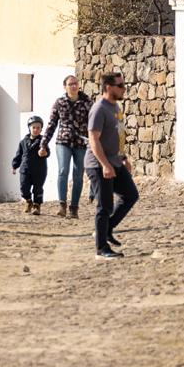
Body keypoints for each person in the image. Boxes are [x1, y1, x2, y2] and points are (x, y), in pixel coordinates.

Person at [87, 71, 138, 260]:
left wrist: (123, 157)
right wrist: (105, 165)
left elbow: (118, 134)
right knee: (105, 206)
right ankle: (101, 249)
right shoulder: (99, 109)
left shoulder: (115, 106)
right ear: (108, 87)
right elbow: (94, 139)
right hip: (98, 164)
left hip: (115, 162)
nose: (124, 89)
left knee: (130, 195)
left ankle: (106, 229)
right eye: (120, 86)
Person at [40, 73, 93, 218]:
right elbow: (51, 124)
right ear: (65, 87)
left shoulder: (87, 102)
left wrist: (96, 141)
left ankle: (74, 208)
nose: (74, 86)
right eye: (71, 84)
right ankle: (62, 205)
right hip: (63, 141)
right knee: (63, 171)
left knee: (78, 175)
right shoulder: (59, 102)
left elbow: (94, 122)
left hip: (81, 143)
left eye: (76, 83)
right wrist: (43, 144)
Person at [11, 115, 49, 214]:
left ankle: (37, 205)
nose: (36, 130)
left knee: (38, 189)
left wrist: (45, 153)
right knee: (24, 187)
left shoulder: (43, 141)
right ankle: (28, 201)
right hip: (25, 169)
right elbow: (19, 155)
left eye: (38, 128)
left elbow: (47, 152)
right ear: (29, 128)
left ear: (41, 129)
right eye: (33, 127)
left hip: (39, 170)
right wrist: (14, 166)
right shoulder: (23, 142)